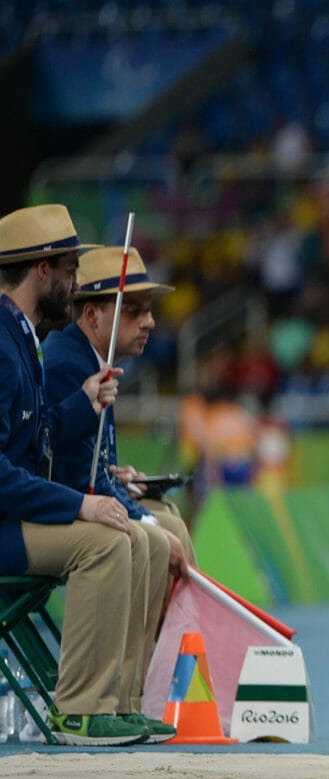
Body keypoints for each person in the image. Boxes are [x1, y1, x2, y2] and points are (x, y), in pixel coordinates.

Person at [0, 204, 174, 745]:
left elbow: (38, 438)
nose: (75, 285)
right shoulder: (4, 346)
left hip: (16, 519)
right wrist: (81, 504)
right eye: (71, 269)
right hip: (5, 527)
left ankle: (118, 702)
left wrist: (83, 406)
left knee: (133, 539)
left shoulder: (21, 338)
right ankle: (77, 708)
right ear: (43, 270)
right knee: (104, 540)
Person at [43, 246, 195, 716]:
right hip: (54, 516)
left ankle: (148, 688)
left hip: (71, 503)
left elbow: (88, 465)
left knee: (170, 523)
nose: (148, 322)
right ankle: (126, 696)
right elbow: (69, 475)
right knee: (155, 537)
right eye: (135, 310)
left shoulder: (88, 357)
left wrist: (117, 477)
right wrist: (142, 517)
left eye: (149, 311)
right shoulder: (69, 363)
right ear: (92, 313)